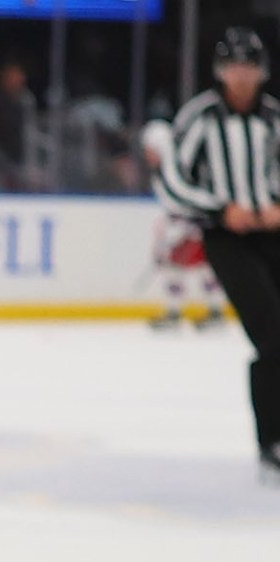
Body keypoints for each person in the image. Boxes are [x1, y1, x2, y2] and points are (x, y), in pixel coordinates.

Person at [154, 27, 280, 481]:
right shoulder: (201, 118)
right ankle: (272, 442)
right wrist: (220, 208)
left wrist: (274, 206)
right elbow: (172, 181)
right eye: (234, 67)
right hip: (225, 237)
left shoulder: (272, 118)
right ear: (221, 71)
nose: (242, 76)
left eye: (250, 67)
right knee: (271, 334)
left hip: (271, 234)